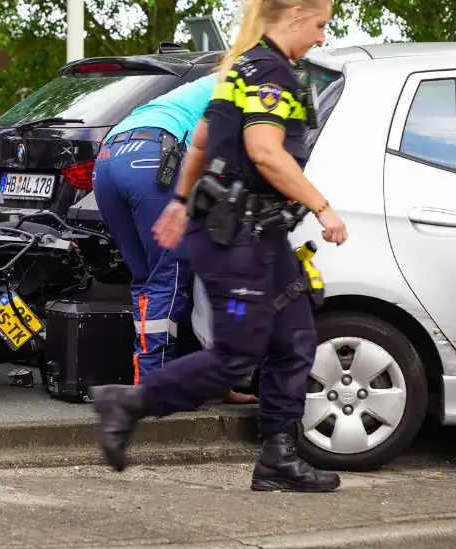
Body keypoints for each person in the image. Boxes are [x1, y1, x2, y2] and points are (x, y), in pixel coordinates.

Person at [88, 0, 349, 492]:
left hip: (261, 233)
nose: (320, 37)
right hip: (239, 239)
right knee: (236, 354)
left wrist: (180, 201)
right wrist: (322, 207)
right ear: (294, 14)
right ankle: (127, 402)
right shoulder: (271, 73)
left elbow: (202, 142)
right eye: (319, 25)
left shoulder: (240, 69)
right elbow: (265, 152)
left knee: (294, 341)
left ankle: (279, 455)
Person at [94, 74, 257, 405]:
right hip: (154, 157)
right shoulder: (251, 81)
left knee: (148, 280)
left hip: (108, 158)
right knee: (169, 275)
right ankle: (152, 389)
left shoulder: (207, 83)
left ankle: (155, 379)